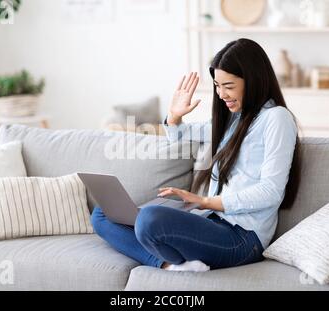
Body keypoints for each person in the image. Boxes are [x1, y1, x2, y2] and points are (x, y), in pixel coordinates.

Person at [91, 38, 300, 272]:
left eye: (228, 86)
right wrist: (174, 116)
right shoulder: (234, 120)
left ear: (253, 80)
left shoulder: (277, 118)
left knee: (150, 220)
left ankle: (171, 259)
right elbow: (179, 136)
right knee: (103, 214)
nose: (221, 94)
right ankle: (169, 264)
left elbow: (271, 192)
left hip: (242, 238)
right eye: (217, 86)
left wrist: (204, 201)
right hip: (209, 221)